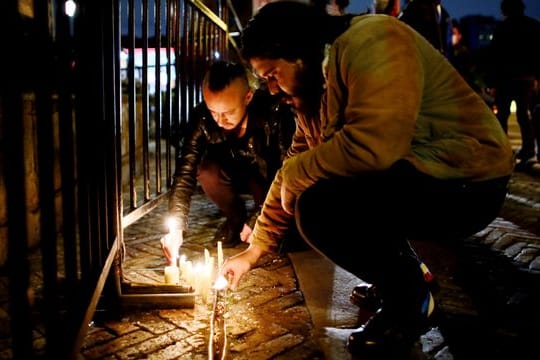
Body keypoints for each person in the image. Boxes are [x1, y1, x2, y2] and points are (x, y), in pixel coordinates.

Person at [219, 1, 514, 358]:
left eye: (271, 74)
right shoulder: (315, 94)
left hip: (470, 180)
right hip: (419, 175)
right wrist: (254, 251)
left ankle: (411, 303)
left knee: (319, 206)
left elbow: (374, 147)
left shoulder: (375, 39)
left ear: (297, 51)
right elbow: (294, 165)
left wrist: (298, 176)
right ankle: (406, 277)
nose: (273, 89)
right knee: (319, 187)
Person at [164, 60, 295, 264]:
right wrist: (176, 227)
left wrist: (259, 220)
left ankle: (258, 222)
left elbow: (285, 170)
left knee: (274, 229)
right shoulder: (202, 117)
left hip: (265, 176)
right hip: (232, 174)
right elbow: (185, 171)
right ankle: (235, 219)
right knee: (205, 171)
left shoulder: (273, 112)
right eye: (213, 111)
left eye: (228, 112)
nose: (219, 120)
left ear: (248, 97)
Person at [486, 0, 540, 165]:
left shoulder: (502, 28)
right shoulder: (533, 26)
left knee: (502, 115)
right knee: (524, 115)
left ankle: (502, 149)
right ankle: (528, 149)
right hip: (526, 78)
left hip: (506, 79)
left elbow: (494, 57)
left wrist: (492, 82)